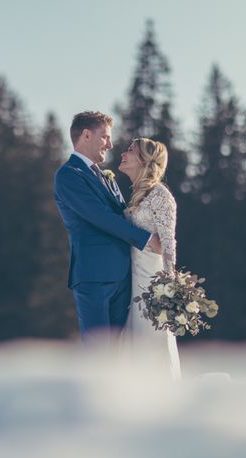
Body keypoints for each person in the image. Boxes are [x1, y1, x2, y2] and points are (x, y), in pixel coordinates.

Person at [53, 111, 161, 346]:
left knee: (115, 352)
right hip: (93, 276)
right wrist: (146, 238)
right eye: (105, 137)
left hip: (122, 275)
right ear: (86, 135)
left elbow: (122, 214)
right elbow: (100, 217)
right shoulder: (68, 176)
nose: (110, 145)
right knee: (98, 351)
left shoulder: (107, 177)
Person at [118, 137, 182, 380]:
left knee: (153, 343)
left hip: (153, 286)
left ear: (143, 160)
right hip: (132, 282)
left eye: (130, 150)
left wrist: (169, 288)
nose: (123, 154)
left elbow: (168, 244)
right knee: (133, 345)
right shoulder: (136, 195)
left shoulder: (160, 195)